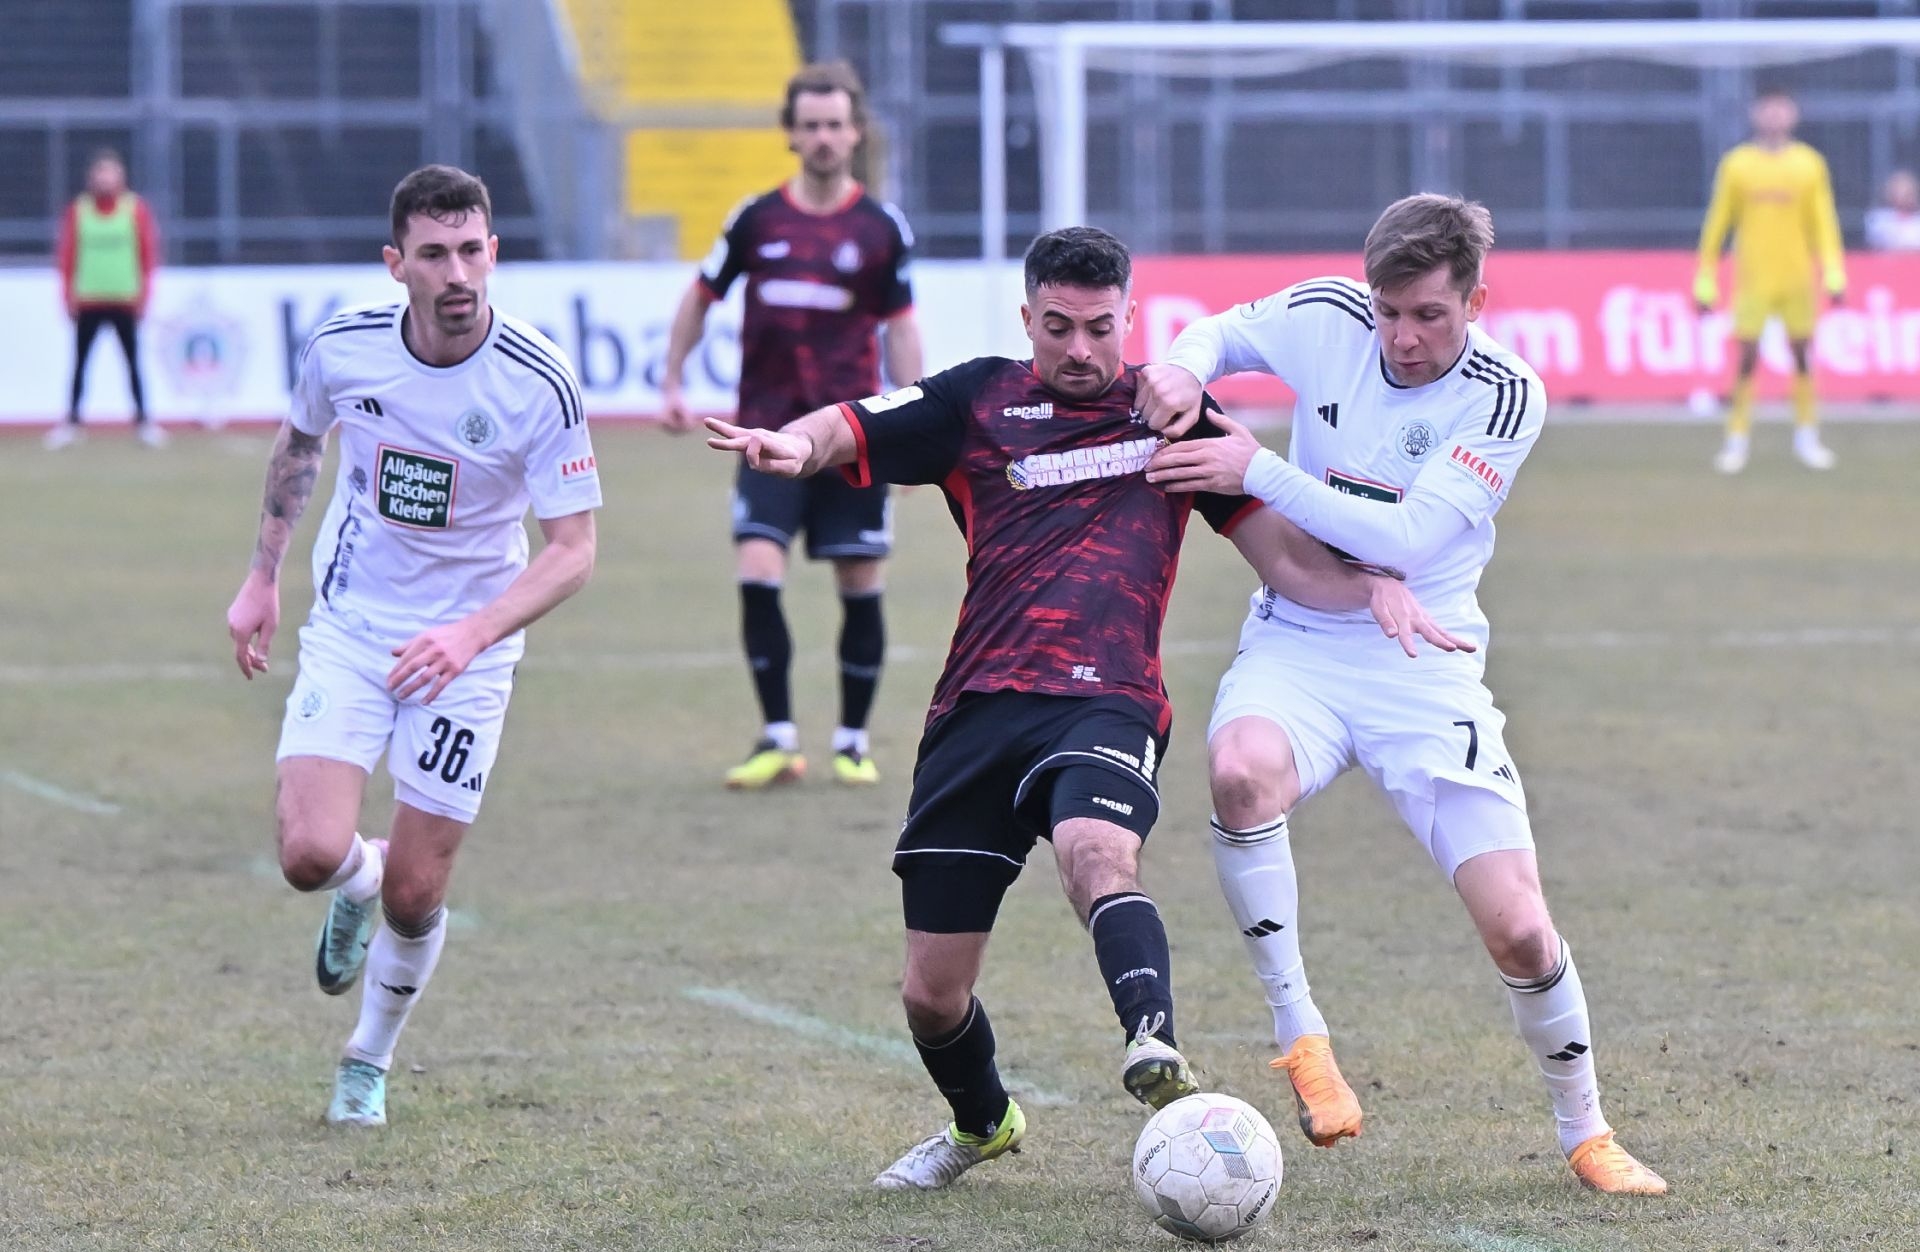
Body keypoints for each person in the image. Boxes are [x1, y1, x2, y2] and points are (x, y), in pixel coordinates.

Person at [705, 225, 1470, 1191]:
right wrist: (793, 444)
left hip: (1106, 699)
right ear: (1027, 317)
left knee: (1096, 852)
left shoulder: (1174, 415)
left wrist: (1373, 588)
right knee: (932, 994)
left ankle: (1153, 1041)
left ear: (1129, 318)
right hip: (977, 709)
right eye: (1058, 326)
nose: (1079, 348)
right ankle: (984, 1122)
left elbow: (1283, 557)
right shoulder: (975, 401)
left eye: (1100, 328)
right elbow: (853, 424)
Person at [1138, 194, 1668, 1196]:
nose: (1402, 336)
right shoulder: (1330, 313)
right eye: (1388, 311)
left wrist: (1257, 467)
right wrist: (1183, 366)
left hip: (1424, 659)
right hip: (1301, 638)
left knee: (1520, 927)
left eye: (1429, 314)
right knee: (1239, 773)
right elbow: (1220, 331)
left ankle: (1586, 1129)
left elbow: (1406, 539)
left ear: (1475, 301)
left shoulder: (1504, 392)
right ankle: (1301, 1034)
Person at [223, 165, 601, 1127]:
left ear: (494, 253)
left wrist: (471, 633)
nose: (457, 272)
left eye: (472, 250)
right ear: (397, 264)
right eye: (434, 254)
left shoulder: (538, 381)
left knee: (419, 890)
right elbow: (300, 445)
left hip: (470, 650)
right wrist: (263, 576)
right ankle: (357, 880)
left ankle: (368, 1058)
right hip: (353, 626)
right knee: (308, 852)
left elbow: (573, 550)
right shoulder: (343, 347)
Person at [660, 60, 922, 789]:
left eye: (835, 124)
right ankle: (777, 737)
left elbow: (902, 327)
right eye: (811, 125)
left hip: (851, 435)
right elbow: (700, 296)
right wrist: (672, 379)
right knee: (757, 569)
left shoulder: (880, 228)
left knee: (859, 582)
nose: (824, 137)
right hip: (765, 436)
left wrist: (912, 425)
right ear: (791, 134)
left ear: (855, 132)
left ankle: (852, 741)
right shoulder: (756, 219)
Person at [1694, 89, 1846, 474]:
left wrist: (1833, 270)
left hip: (1796, 278)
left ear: (1792, 115)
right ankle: (1736, 439)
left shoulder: (1809, 164)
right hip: (1754, 278)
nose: (1775, 116)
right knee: (1746, 358)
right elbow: (1719, 221)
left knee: (1803, 357)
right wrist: (1705, 276)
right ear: (1756, 114)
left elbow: (1823, 221)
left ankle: (1807, 437)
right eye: (1768, 109)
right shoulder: (1738, 164)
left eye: (1782, 109)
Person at [46, 149, 166, 450]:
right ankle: (73, 422)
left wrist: (145, 295)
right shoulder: (79, 210)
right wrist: (67, 295)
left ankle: (143, 422)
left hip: (125, 299)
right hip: (89, 299)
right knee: (80, 364)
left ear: (120, 176)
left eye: (110, 172)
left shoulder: (134, 208)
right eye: (100, 173)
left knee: (133, 363)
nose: (105, 179)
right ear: (92, 177)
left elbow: (147, 254)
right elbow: (67, 255)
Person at [1865, 168, 1920, 252]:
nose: (1903, 196)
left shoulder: (1917, 220)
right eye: (1899, 190)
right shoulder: (1878, 219)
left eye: (1907, 191)